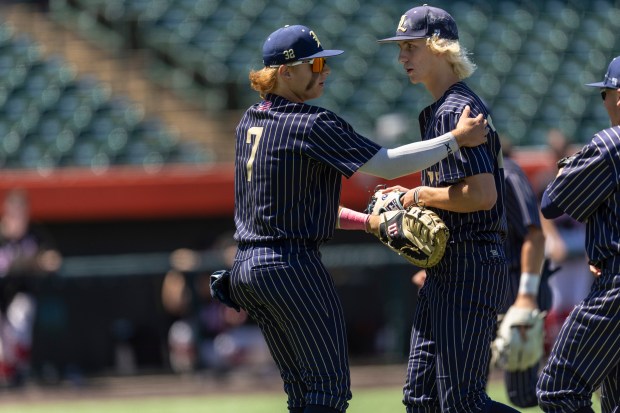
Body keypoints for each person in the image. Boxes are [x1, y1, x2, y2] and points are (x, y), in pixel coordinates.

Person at [228, 23, 487, 413]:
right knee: (328, 392)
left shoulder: (250, 120)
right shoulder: (312, 124)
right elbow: (387, 165)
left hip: (247, 269)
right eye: (315, 64)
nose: (324, 71)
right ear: (286, 72)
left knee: (302, 394)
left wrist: (367, 222)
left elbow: (297, 207)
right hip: (291, 267)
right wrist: (456, 139)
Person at [375, 5, 518, 412]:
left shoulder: (459, 111)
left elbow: (482, 195)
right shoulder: (438, 112)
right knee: (421, 399)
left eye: (410, 46)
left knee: (463, 403)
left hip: (473, 261)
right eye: (400, 47)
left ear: (439, 47)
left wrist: (414, 196)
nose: (402, 56)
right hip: (448, 265)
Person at [410, 139, 549, 409]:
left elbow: (535, 235)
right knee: (466, 393)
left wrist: (527, 297)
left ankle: (590, 375)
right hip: (480, 291)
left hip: (516, 292)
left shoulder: (507, 172)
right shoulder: (462, 181)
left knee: (523, 393)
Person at [537, 55, 620, 413]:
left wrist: (571, 166)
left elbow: (551, 203)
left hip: (615, 285)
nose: (603, 101)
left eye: (605, 92)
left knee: (558, 389)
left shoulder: (611, 143)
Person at [0, 189, 62, 387]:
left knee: (21, 317)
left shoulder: (35, 233)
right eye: (13, 211)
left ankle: (19, 373)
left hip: (21, 292)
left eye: (21, 211)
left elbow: (53, 259)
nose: (17, 216)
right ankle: (9, 375)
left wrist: (32, 262)